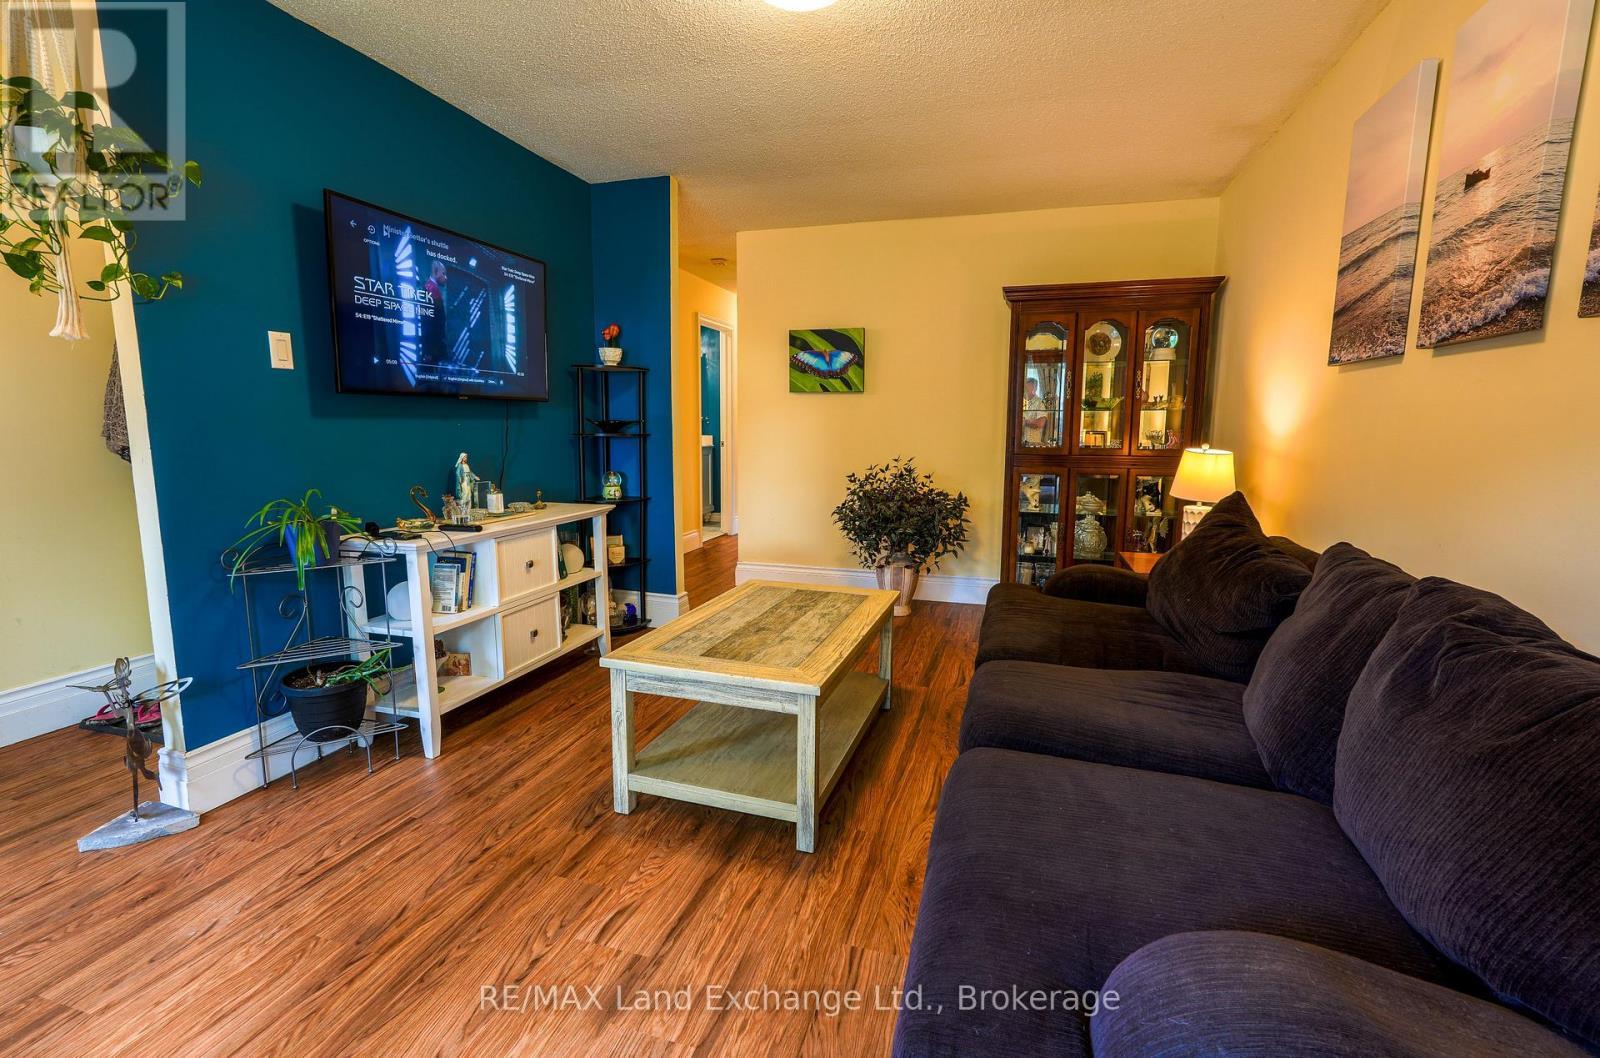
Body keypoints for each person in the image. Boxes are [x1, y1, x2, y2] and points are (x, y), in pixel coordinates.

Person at [421, 261, 450, 365]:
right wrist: (428, 350)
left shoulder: (433, 287)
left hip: (436, 345)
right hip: (434, 348)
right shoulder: (429, 288)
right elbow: (427, 321)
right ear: (435, 272)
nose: (445, 277)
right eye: (443, 273)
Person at [1021, 376, 1052, 446]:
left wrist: (1024, 422)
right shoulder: (1023, 402)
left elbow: (1040, 423)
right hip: (1021, 444)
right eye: (1024, 388)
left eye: (1027, 388)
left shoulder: (1039, 403)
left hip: (1033, 444)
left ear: (1034, 389)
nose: (1024, 391)